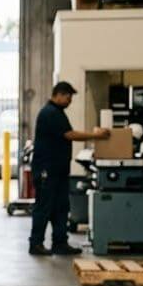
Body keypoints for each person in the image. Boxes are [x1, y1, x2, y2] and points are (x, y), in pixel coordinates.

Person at [29, 81, 110, 256]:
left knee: (61, 207)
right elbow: (70, 135)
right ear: (58, 94)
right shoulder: (50, 113)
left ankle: (60, 243)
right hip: (47, 170)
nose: (70, 100)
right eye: (68, 96)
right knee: (44, 207)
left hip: (57, 171)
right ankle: (35, 244)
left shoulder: (57, 112)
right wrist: (96, 136)